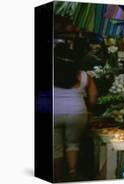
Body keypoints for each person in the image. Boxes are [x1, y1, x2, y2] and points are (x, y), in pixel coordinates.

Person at [53, 43, 98, 181]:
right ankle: (72, 172)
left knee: (55, 148)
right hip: (76, 112)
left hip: (53, 112)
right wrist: (89, 110)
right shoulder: (84, 75)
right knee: (72, 143)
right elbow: (93, 96)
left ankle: (58, 177)